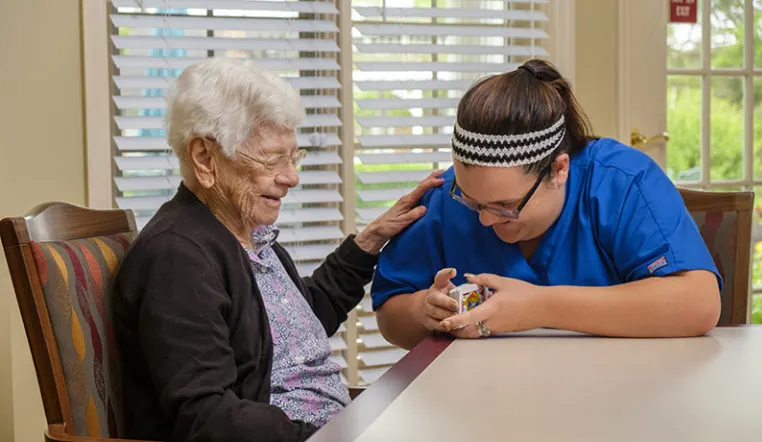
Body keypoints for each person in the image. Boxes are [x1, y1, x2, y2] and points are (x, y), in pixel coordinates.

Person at [112, 58, 444, 442]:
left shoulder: (243, 233)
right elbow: (206, 416)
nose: (291, 177)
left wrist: (371, 239)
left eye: (293, 157)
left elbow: (299, 326)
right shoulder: (178, 259)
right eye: (272, 159)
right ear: (205, 158)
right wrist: (326, 435)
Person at [371, 59, 722, 350]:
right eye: (472, 202)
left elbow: (698, 304)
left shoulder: (621, 181)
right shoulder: (446, 196)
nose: (484, 221)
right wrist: (424, 312)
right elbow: (390, 312)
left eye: (505, 205)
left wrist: (540, 306)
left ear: (559, 169)